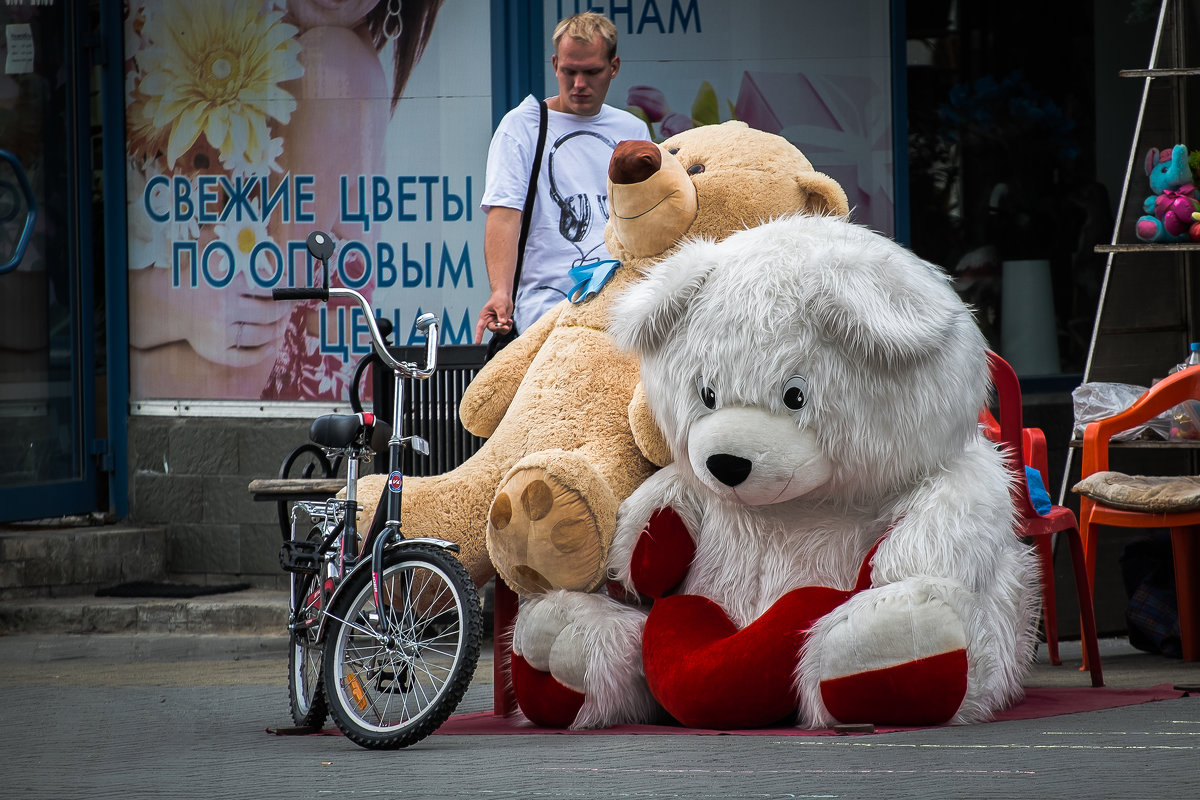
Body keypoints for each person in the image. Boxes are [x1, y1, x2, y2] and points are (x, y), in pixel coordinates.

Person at [125, 0, 442, 400]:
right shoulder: (220, 59)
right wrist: (176, 307)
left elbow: (222, 384)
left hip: (293, 446)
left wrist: (161, 310)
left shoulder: (331, 65)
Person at [475, 11, 649, 345]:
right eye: (569, 71)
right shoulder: (522, 126)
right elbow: (505, 215)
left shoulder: (633, 131)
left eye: (591, 72)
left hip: (618, 314)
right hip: (542, 317)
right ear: (555, 64)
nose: (579, 84)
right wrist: (500, 291)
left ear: (614, 67)